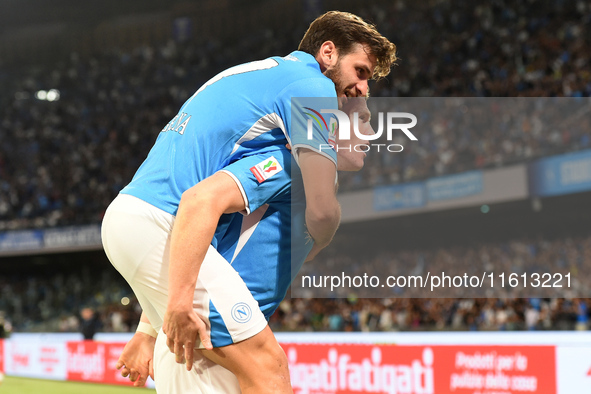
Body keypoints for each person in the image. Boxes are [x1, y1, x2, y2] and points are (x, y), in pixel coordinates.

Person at [102, 10, 395, 393]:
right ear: (327, 52)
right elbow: (201, 203)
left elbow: (201, 242)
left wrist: (150, 326)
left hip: (147, 221)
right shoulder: (308, 96)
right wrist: (322, 236)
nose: (360, 91)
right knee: (266, 364)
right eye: (360, 72)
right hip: (165, 220)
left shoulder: (264, 79)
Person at [114, 97, 375, 391]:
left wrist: (147, 331)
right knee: (271, 370)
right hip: (210, 342)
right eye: (363, 120)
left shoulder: (317, 186)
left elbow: (196, 252)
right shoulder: (286, 162)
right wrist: (148, 332)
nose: (371, 131)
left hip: (217, 336)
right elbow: (201, 203)